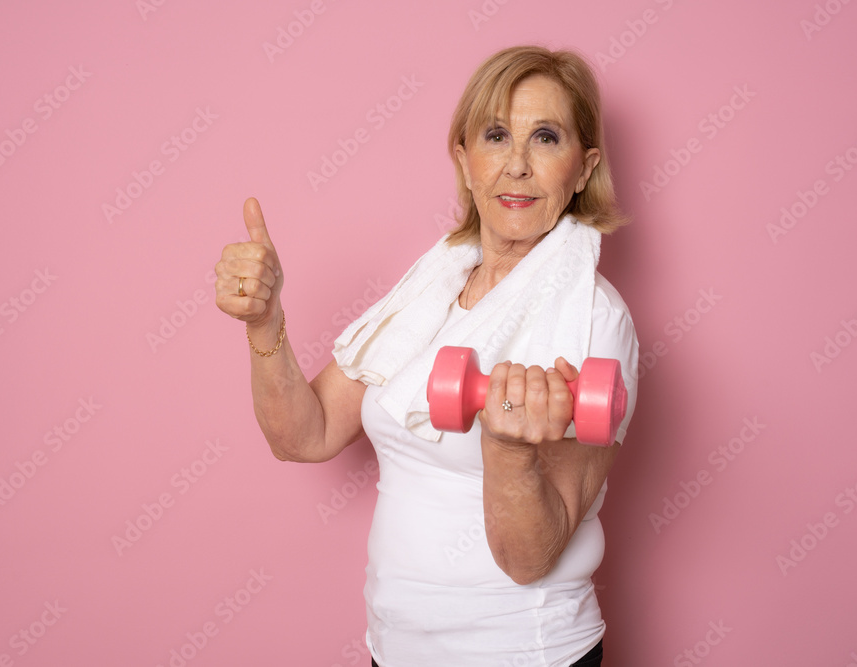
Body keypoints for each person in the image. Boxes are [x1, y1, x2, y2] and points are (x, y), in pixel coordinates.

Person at [215, 45, 638, 667]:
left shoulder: (594, 320)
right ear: (465, 161)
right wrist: (264, 322)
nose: (516, 166)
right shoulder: (429, 291)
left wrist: (511, 448)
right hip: (395, 648)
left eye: (545, 138)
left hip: (526, 653)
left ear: (582, 168)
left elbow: (530, 558)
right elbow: (305, 435)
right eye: (496, 135)